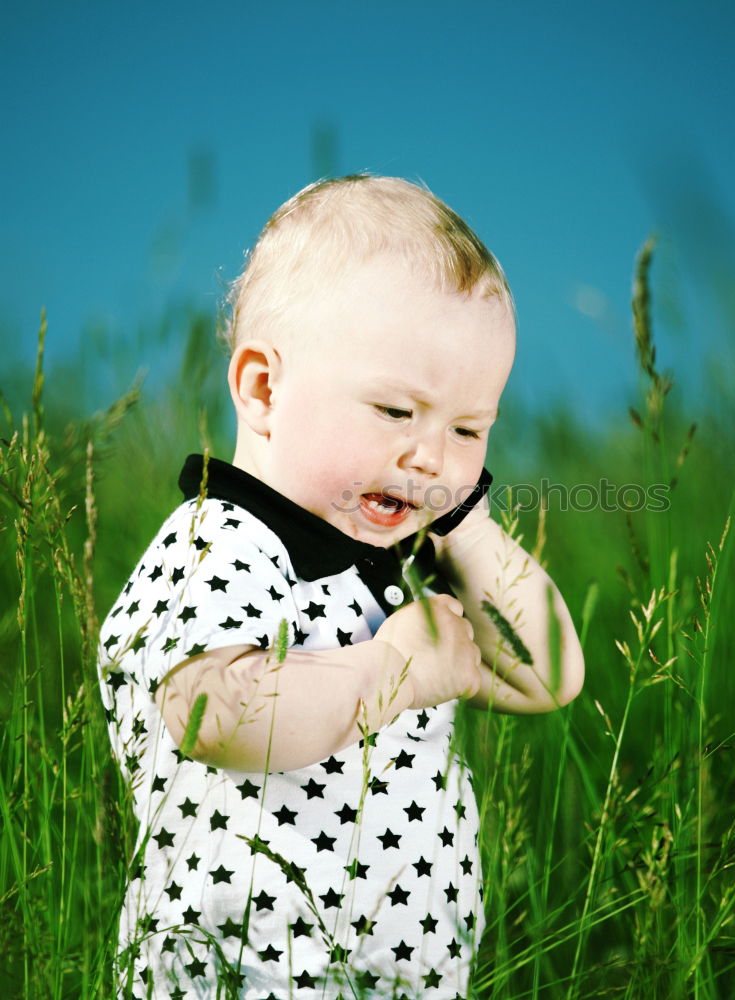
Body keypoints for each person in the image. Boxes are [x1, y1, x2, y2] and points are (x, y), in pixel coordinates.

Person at [98, 174, 585, 1000]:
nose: (431, 456)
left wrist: (464, 526)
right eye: (398, 412)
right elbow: (214, 713)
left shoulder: (394, 567)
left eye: (468, 429)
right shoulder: (218, 544)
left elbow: (547, 674)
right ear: (262, 389)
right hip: (244, 974)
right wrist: (391, 673)